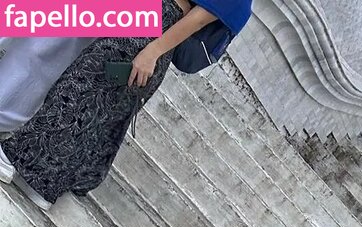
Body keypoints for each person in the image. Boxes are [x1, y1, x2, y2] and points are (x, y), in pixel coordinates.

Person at [0, 0, 252, 209]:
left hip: (154, 29)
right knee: (89, 98)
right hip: (152, 24)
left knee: (80, 90)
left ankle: (17, 160)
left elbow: (198, 19)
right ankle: (42, 180)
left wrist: (153, 51)